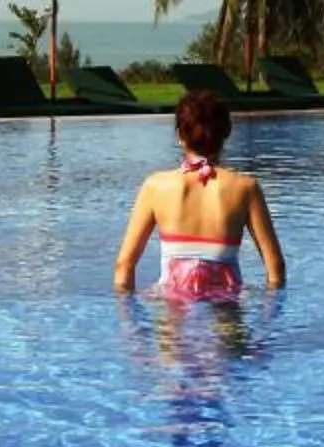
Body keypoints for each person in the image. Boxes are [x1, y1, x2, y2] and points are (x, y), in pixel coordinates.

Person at [112, 90, 286, 299]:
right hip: (225, 308)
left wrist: (130, 322)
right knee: (227, 327)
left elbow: (124, 266)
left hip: (174, 311)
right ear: (227, 132)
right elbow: (275, 268)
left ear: (179, 135)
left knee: (171, 324)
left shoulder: (155, 187)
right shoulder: (246, 188)